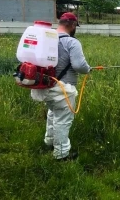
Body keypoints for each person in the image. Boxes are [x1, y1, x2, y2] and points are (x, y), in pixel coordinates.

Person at [32, 12, 91, 161]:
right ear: (72, 25)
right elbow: (79, 65)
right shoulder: (72, 42)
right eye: (74, 26)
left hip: (44, 84)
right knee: (63, 119)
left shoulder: (47, 38)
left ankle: (49, 142)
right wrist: (87, 69)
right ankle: (61, 154)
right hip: (62, 88)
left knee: (52, 113)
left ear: (60, 23)